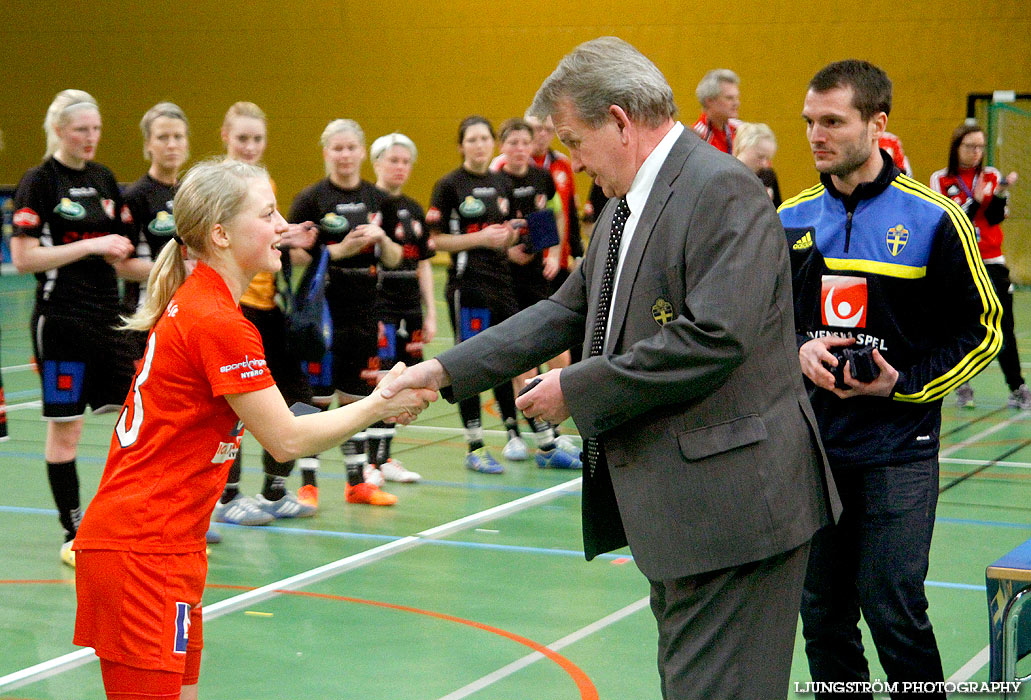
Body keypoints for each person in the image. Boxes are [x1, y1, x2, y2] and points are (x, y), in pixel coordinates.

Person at [385, 37, 836, 699]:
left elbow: (714, 337)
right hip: (686, 517)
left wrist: (576, 385)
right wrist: (441, 373)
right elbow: (565, 311)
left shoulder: (721, 190)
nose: (570, 159)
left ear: (620, 122)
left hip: (735, 512)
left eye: (572, 141)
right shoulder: (626, 207)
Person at [71, 158, 434, 700]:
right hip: (142, 552)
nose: (282, 224)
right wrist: (379, 403)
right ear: (220, 233)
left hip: (170, 549)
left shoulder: (205, 303)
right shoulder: (217, 322)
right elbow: (285, 439)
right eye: (266, 213)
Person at [779, 60, 1002, 699]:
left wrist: (899, 384)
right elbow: (766, 326)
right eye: (808, 123)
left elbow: (983, 329)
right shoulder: (791, 219)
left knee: (892, 607)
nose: (815, 136)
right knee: (821, 617)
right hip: (814, 449)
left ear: (878, 123)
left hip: (898, 450)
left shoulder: (935, 219)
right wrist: (799, 349)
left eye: (832, 122)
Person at [10, 89, 139, 567]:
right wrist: (91, 246)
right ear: (60, 130)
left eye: (96, 128)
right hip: (60, 321)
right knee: (66, 433)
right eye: (81, 129)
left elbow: (124, 247)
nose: (90, 138)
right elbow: (24, 258)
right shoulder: (38, 182)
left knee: (135, 422)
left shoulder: (105, 179)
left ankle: (122, 519)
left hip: (109, 322)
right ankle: (75, 531)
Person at [288, 119, 403, 504]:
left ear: (361, 151)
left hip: (365, 310)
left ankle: (356, 483)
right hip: (321, 311)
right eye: (337, 148)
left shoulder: (379, 200)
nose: (345, 155)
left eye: (351, 147)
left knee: (356, 397)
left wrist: (381, 239)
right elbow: (294, 253)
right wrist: (341, 250)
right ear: (326, 152)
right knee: (315, 398)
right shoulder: (310, 199)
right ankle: (308, 484)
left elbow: (397, 256)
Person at [426, 116, 527, 474]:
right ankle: (475, 444)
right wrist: (480, 239)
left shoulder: (502, 182)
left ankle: (515, 434)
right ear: (462, 146)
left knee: (506, 359)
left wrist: (511, 235)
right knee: (469, 363)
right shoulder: (449, 185)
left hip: (503, 284)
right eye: (472, 139)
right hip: (468, 287)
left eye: (485, 138)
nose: (480, 145)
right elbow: (434, 240)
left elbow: (513, 230)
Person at [493, 118, 580, 469]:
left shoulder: (542, 177)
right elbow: (487, 229)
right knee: (517, 358)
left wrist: (552, 254)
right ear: (503, 146)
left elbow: (554, 215)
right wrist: (506, 252)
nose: (519, 149)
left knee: (556, 353)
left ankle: (552, 432)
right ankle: (516, 433)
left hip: (535, 277)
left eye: (523, 143)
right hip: (502, 278)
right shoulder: (494, 181)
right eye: (512, 142)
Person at [930, 122, 1027, 409]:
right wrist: (977, 201)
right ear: (956, 147)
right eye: (970, 146)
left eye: (980, 147)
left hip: (991, 261)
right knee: (959, 324)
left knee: (1003, 325)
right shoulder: (941, 180)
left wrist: (999, 193)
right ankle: (961, 383)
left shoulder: (992, 176)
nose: (976, 152)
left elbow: (996, 218)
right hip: (959, 262)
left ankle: (1017, 386)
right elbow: (949, 217)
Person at [368, 132, 434, 483]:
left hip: (411, 305)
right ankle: (368, 460)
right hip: (380, 303)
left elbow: (423, 262)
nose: (399, 167)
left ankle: (386, 457)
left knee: (405, 379)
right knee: (378, 379)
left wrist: (431, 313)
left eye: (405, 161)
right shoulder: (368, 202)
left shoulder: (414, 208)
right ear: (377, 162)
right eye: (393, 160)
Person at [122, 102, 191, 361]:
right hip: (146, 316)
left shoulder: (191, 193)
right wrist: (173, 273)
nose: (171, 144)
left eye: (178, 137)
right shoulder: (135, 196)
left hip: (185, 315)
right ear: (148, 144)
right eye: (163, 137)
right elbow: (120, 265)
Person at [691, 68, 740, 154]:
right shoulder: (697, 137)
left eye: (737, 98)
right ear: (709, 101)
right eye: (729, 98)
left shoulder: (740, 129)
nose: (736, 103)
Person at [732, 121, 781, 205]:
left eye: (768, 159)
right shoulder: (726, 176)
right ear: (744, 148)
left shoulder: (768, 176)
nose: (765, 164)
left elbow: (778, 212)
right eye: (760, 157)